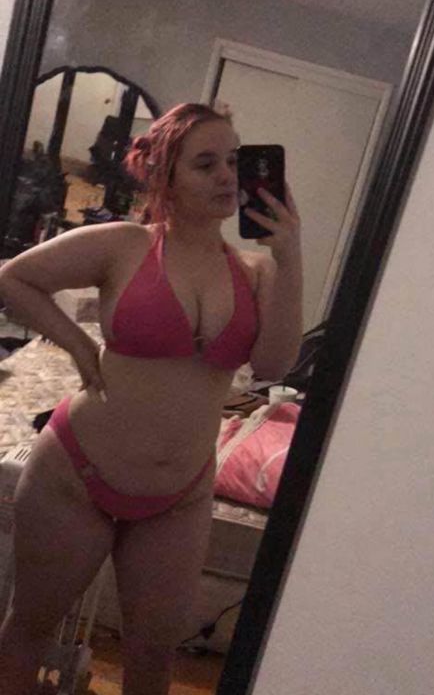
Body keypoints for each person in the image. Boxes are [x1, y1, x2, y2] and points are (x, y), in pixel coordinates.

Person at [0, 102, 303, 695]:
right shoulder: (124, 245)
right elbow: (13, 277)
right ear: (166, 176)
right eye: (206, 164)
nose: (227, 176)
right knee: (29, 628)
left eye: (234, 161)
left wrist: (289, 253)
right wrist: (77, 346)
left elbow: (273, 365)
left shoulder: (259, 272)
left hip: (179, 495)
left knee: (154, 656)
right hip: (77, 475)